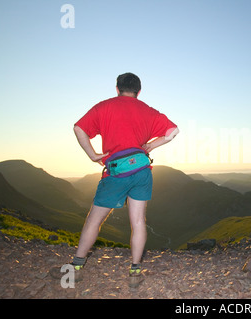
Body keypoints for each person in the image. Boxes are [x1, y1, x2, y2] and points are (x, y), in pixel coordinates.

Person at [65, 72, 178, 288]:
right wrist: (152, 145)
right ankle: (135, 272)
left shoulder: (104, 106)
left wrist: (92, 155)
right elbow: (173, 131)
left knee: (94, 220)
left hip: (115, 173)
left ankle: (76, 268)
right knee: (138, 222)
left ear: (117, 88)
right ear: (139, 91)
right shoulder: (148, 110)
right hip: (142, 171)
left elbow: (78, 128)